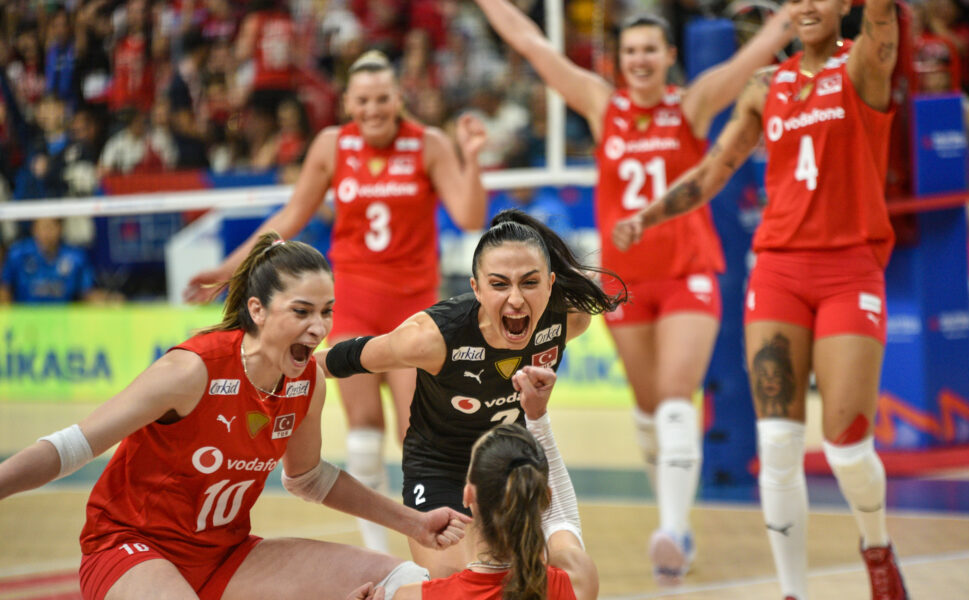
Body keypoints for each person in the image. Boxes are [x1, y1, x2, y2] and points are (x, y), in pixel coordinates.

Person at [472, 0, 795, 584]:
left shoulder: (691, 104)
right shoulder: (605, 106)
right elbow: (533, 46)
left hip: (688, 271)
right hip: (624, 286)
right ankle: (676, 525)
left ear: (669, 56)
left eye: (650, 50)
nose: (640, 60)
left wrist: (787, 20)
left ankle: (671, 529)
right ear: (619, 60)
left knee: (674, 398)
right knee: (648, 411)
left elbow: (749, 57)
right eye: (630, 52)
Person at [612, 0, 908, 597]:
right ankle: (792, 590)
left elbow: (883, 17)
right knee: (777, 444)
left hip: (850, 269)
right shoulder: (764, 86)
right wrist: (648, 215)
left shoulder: (864, 64)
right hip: (777, 271)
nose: (808, 6)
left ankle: (876, 546)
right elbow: (714, 171)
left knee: (848, 449)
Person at [0, 232, 470, 600]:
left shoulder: (308, 381)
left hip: (225, 555)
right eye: (302, 311)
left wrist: (412, 522)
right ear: (257, 310)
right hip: (131, 546)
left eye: (327, 312)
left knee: (403, 581)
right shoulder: (190, 371)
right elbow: (71, 447)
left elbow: (308, 478)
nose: (319, 327)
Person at [184, 50, 488, 552]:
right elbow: (291, 216)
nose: (373, 110)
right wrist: (229, 269)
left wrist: (471, 157)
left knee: (417, 431)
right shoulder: (331, 145)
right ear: (347, 101)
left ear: (398, 98)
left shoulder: (429, 143)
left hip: (413, 309)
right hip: (353, 302)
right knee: (364, 426)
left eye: (382, 99)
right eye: (362, 100)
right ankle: (379, 553)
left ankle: (438, 546)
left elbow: (470, 215)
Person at [319, 209, 625, 578]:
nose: (515, 299)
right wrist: (274, 370)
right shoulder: (430, 338)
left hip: (509, 463)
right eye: (499, 284)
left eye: (530, 282)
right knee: (457, 583)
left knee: (531, 580)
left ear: (550, 283)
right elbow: (339, 359)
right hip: (439, 468)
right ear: (476, 288)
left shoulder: (570, 319)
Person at [347, 365, 599, 600]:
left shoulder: (412, 596)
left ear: (467, 495)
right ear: (544, 497)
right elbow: (562, 521)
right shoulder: (578, 579)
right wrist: (537, 418)